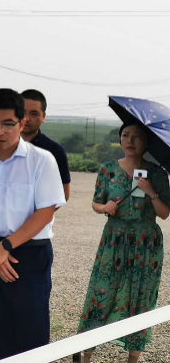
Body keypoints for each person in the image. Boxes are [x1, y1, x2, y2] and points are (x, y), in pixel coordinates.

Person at [0, 88, 65, 362]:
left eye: (8, 124)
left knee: (31, 332)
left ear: (22, 123)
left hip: (29, 253)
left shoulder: (42, 160)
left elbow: (45, 211)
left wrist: (6, 247)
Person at [77, 122, 170, 363]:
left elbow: (164, 213)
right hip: (114, 239)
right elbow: (96, 203)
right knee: (101, 291)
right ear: (120, 140)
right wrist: (104, 207)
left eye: (137, 136)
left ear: (146, 142)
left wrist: (151, 191)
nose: (130, 140)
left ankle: (133, 358)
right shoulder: (108, 169)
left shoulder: (158, 174)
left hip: (146, 244)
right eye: (125, 135)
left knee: (140, 296)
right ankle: (86, 354)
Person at [0, 89, 71, 200]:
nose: (27, 118)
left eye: (34, 114)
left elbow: (63, 192)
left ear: (43, 117)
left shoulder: (54, 151)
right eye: (23, 112)